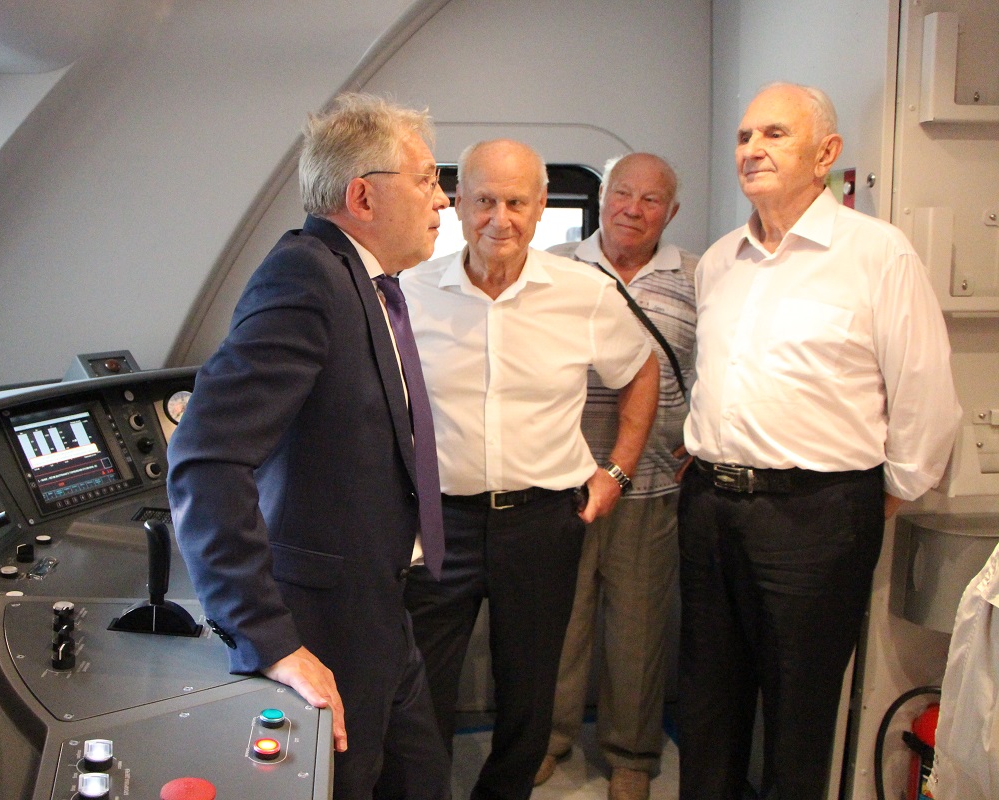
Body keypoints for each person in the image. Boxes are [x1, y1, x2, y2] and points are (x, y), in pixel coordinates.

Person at [678, 82, 961, 800]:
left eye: (774, 134)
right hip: (710, 506)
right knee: (707, 701)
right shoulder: (719, 261)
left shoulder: (877, 254)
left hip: (817, 514)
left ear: (826, 153)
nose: (752, 149)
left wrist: (880, 495)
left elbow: (925, 394)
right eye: (744, 136)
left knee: (799, 713)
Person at [166, 92, 453, 800]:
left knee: (422, 778)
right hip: (322, 622)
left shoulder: (367, 282)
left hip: (381, 605)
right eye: (425, 179)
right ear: (363, 196)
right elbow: (206, 457)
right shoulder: (306, 276)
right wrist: (269, 639)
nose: (443, 200)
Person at [400, 138, 660, 800]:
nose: (501, 219)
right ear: (459, 203)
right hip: (439, 521)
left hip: (543, 520)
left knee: (531, 685)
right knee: (420, 684)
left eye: (516, 202)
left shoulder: (584, 293)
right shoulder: (409, 291)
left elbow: (641, 371)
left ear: (542, 206)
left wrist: (617, 472)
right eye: (485, 200)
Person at [536, 152, 696, 800]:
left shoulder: (696, 279)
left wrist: (702, 439)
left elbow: (720, 368)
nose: (633, 208)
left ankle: (631, 754)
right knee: (559, 623)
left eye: (650, 199)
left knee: (638, 631)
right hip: (563, 482)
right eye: (622, 193)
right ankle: (547, 739)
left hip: (652, 485)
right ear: (601, 197)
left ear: (671, 212)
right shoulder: (555, 268)